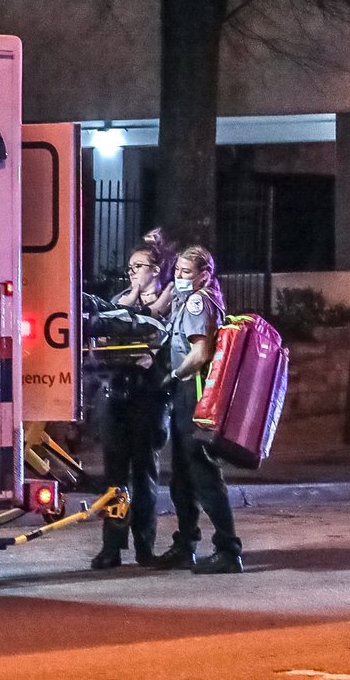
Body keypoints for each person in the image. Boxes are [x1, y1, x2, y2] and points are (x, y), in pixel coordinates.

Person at [151, 244, 244, 574]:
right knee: (182, 477)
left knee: (202, 473)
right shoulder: (200, 298)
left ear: (205, 274)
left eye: (186, 272)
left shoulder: (196, 301)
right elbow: (155, 309)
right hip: (189, 392)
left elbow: (200, 353)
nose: (178, 277)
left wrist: (172, 376)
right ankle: (185, 544)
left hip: (194, 391)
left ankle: (228, 550)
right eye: (176, 271)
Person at [89, 236, 174, 570]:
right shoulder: (121, 299)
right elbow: (111, 331)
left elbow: (160, 341)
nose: (132, 273)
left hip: (149, 400)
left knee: (145, 475)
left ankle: (144, 545)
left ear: (155, 270)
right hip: (117, 395)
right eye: (129, 268)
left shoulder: (170, 302)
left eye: (139, 267)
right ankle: (112, 546)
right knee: (115, 478)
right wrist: (135, 294)